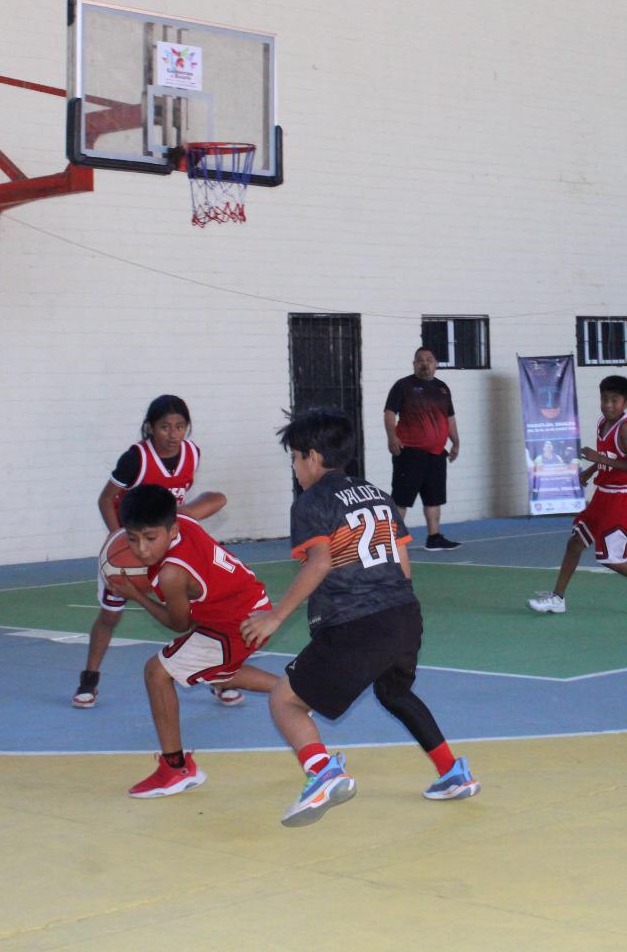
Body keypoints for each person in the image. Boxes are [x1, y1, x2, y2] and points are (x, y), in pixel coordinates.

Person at [240, 408, 480, 827]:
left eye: (295, 458)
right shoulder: (376, 494)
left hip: (356, 622)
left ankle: (323, 773)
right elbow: (403, 562)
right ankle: (452, 772)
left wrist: (276, 617)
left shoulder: (311, 502)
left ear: (312, 457)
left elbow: (319, 562)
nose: (295, 468)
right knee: (395, 694)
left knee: (285, 699)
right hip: (405, 613)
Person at [110, 484, 281, 798]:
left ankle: (176, 769)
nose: (142, 550)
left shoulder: (172, 573)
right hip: (252, 605)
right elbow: (218, 497)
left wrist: (135, 595)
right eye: (132, 539)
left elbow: (178, 624)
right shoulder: (185, 520)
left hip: (233, 626)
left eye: (150, 538)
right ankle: (295, 692)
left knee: (157, 673)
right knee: (217, 672)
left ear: (170, 528)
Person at [75, 395, 231, 710]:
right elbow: (107, 500)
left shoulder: (192, 453)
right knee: (109, 615)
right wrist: (121, 539)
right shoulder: (136, 459)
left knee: (198, 614)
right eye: (165, 427)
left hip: (170, 550)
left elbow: (194, 502)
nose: (173, 434)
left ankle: (219, 679)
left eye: (180, 426)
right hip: (133, 547)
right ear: (150, 428)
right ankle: (89, 680)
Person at [528, 376, 627, 613]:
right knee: (575, 542)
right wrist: (592, 470)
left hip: (620, 497)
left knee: (610, 557)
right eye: (604, 399)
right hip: (603, 494)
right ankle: (557, 598)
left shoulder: (625, 428)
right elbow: (611, 457)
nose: (608, 405)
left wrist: (597, 459)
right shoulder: (603, 423)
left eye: (615, 400)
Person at [383, 347, 462, 551]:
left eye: (429, 360)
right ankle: (392, 541)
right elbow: (389, 413)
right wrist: (392, 436)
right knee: (402, 499)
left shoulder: (443, 388)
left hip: (436, 454)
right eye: (420, 360)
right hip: (409, 452)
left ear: (436, 364)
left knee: (434, 498)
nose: (424, 364)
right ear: (414, 364)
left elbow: (450, 418)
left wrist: (456, 442)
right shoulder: (403, 386)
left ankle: (434, 538)